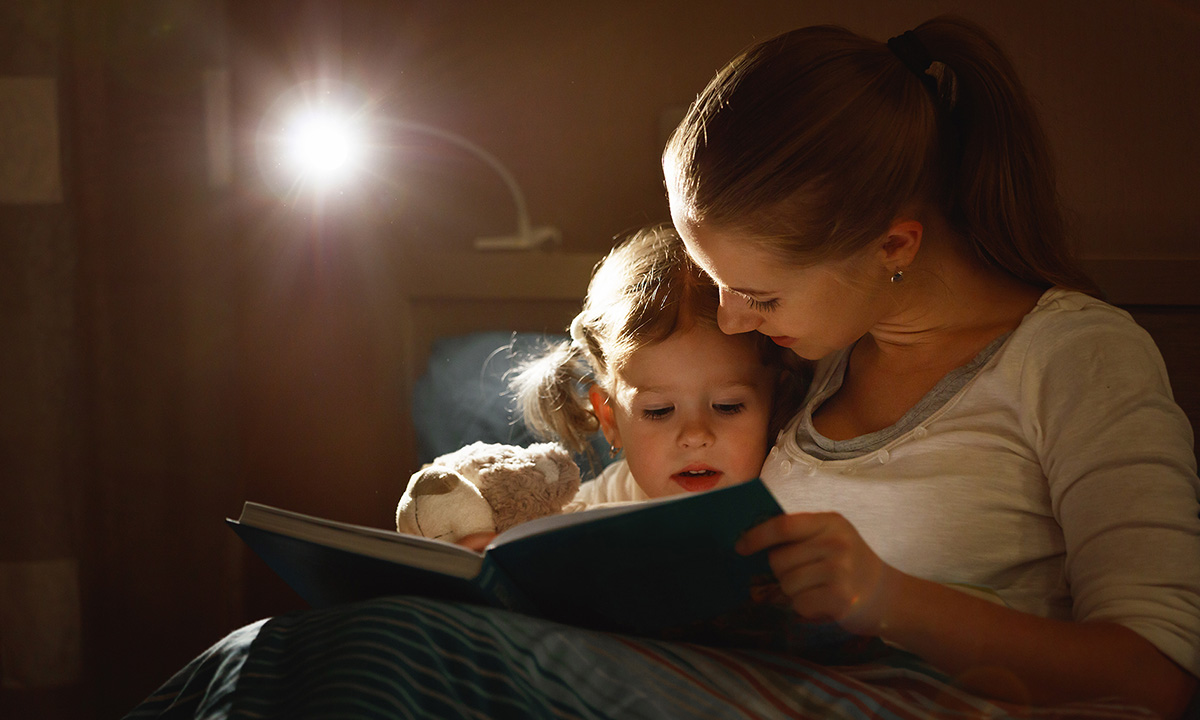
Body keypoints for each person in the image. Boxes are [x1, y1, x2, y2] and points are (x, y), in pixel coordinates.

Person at [663, 14, 1200, 719]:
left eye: (760, 296)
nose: (732, 321)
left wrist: (890, 600)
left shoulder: (1077, 357)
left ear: (894, 246)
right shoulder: (818, 358)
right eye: (716, 284)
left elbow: (1157, 677)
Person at [511, 223, 808, 507]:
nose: (695, 436)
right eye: (659, 411)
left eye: (727, 406)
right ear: (610, 419)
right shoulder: (598, 502)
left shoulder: (796, 495)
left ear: (777, 403)